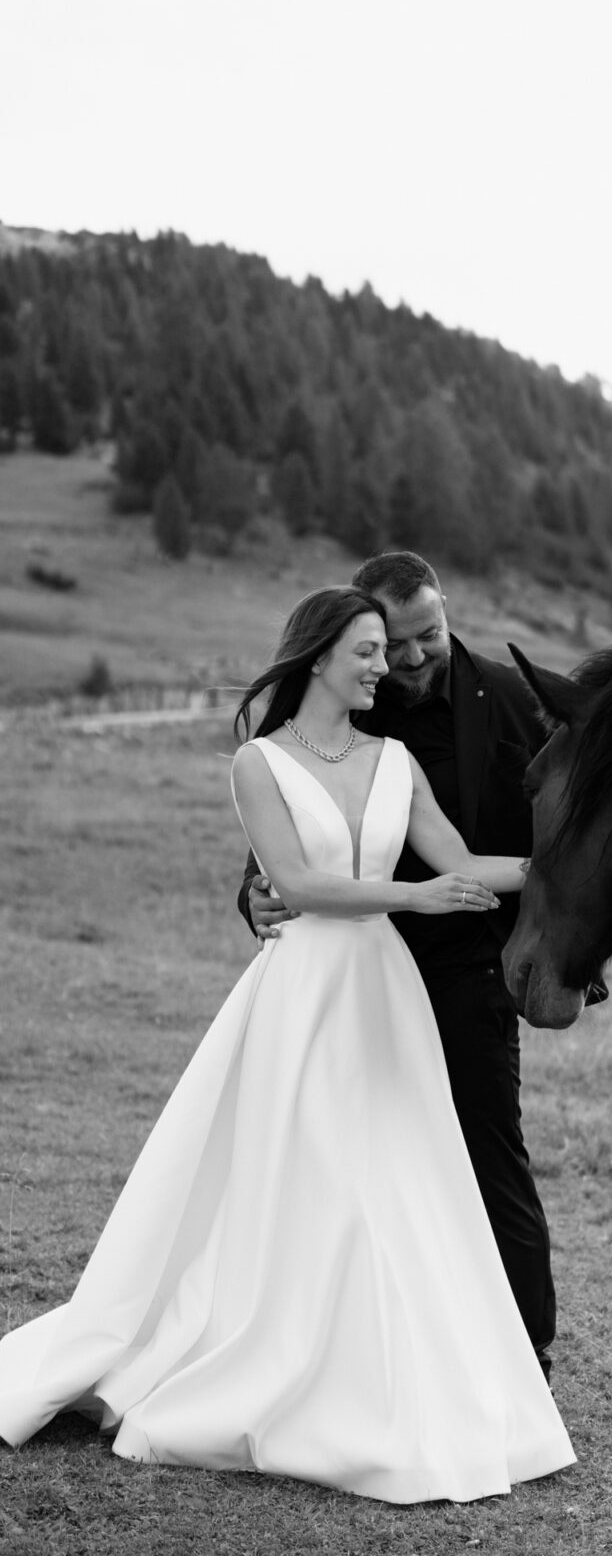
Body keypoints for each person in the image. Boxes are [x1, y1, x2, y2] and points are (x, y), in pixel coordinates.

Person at [0, 585, 575, 1502]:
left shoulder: (394, 760)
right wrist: (415, 897)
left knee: (397, 1175)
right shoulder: (258, 764)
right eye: (368, 652)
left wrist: (572, 874)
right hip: (304, 990)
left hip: (384, 990)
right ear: (319, 658)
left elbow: (466, 863)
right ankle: (271, 1353)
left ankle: (386, 1372)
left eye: (388, 649)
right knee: (309, 1173)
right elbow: (299, 885)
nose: (385, 667)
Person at [241, 551, 567, 1382]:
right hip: (338, 973)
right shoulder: (338, 710)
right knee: (338, 1160)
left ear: (445, 610)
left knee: (485, 1149)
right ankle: (338, 1346)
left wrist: (570, 883)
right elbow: (291, 837)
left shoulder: (517, 701)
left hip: (466, 967)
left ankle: (524, 1349)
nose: (408, 659)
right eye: (390, 645)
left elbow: (483, 853)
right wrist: (256, 889)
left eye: (429, 635)